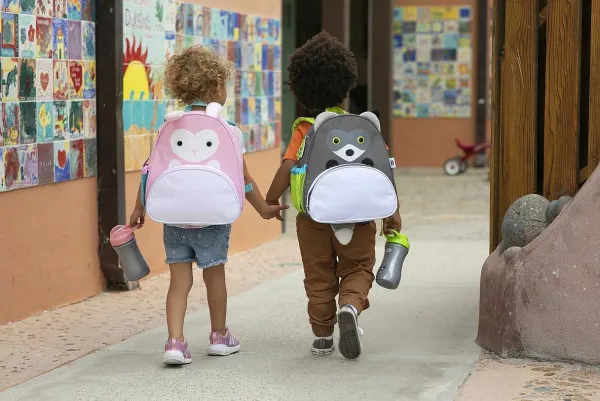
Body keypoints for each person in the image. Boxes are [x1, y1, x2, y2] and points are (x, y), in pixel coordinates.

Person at [128, 45, 287, 365]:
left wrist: (139, 208)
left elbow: (149, 171)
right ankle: (219, 336)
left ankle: (175, 342)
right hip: (213, 220)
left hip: (175, 218)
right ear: (216, 86)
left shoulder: (169, 125)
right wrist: (264, 209)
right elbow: (243, 179)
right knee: (214, 277)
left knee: (179, 282)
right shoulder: (228, 131)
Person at [265, 32, 402, 359]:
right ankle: (350, 306)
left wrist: (270, 200)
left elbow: (288, 167)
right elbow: (383, 170)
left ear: (301, 89)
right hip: (359, 216)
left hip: (313, 218)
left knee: (318, 275)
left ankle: (322, 336)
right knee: (358, 267)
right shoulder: (364, 128)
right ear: (346, 87)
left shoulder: (305, 128)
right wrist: (393, 213)